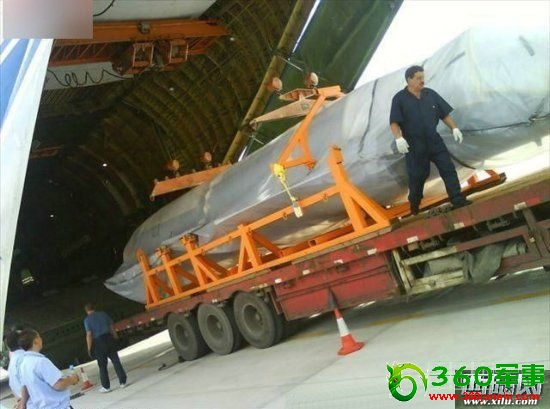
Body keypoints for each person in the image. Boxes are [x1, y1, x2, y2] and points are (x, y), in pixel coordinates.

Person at [390, 65, 472, 215]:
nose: (422, 81)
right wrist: (398, 138)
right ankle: (414, 203)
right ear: (409, 79)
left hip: (434, 141)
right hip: (415, 145)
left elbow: (444, 114)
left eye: (423, 77)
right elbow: (394, 122)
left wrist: (454, 128)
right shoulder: (399, 99)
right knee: (418, 176)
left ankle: (457, 199)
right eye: (418, 78)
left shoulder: (430, 94)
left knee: (448, 169)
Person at [17, 328, 79, 409]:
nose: (41, 339)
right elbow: (58, 385)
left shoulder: (23, 364)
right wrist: (72, 379)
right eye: (39, 336)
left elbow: (25, 387)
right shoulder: (41, 362)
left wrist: (23, 404)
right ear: (35, 341)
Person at [83, 303, 127, 392]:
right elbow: (111, 327)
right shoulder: (103, 314)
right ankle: (123, 382)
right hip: (109, 338)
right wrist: (115, 337)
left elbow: (89, 334)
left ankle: (106, 387)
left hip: (99, 343)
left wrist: (89, 348)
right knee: (116, 361)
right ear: (94, 308)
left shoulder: (87, 320)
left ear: (86, 311)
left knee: (102, 365)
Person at [4, 326, 27, 408]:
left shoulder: (14, 360)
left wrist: (20, 401)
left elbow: (12, 385)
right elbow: (26, 385)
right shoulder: (26, 358)